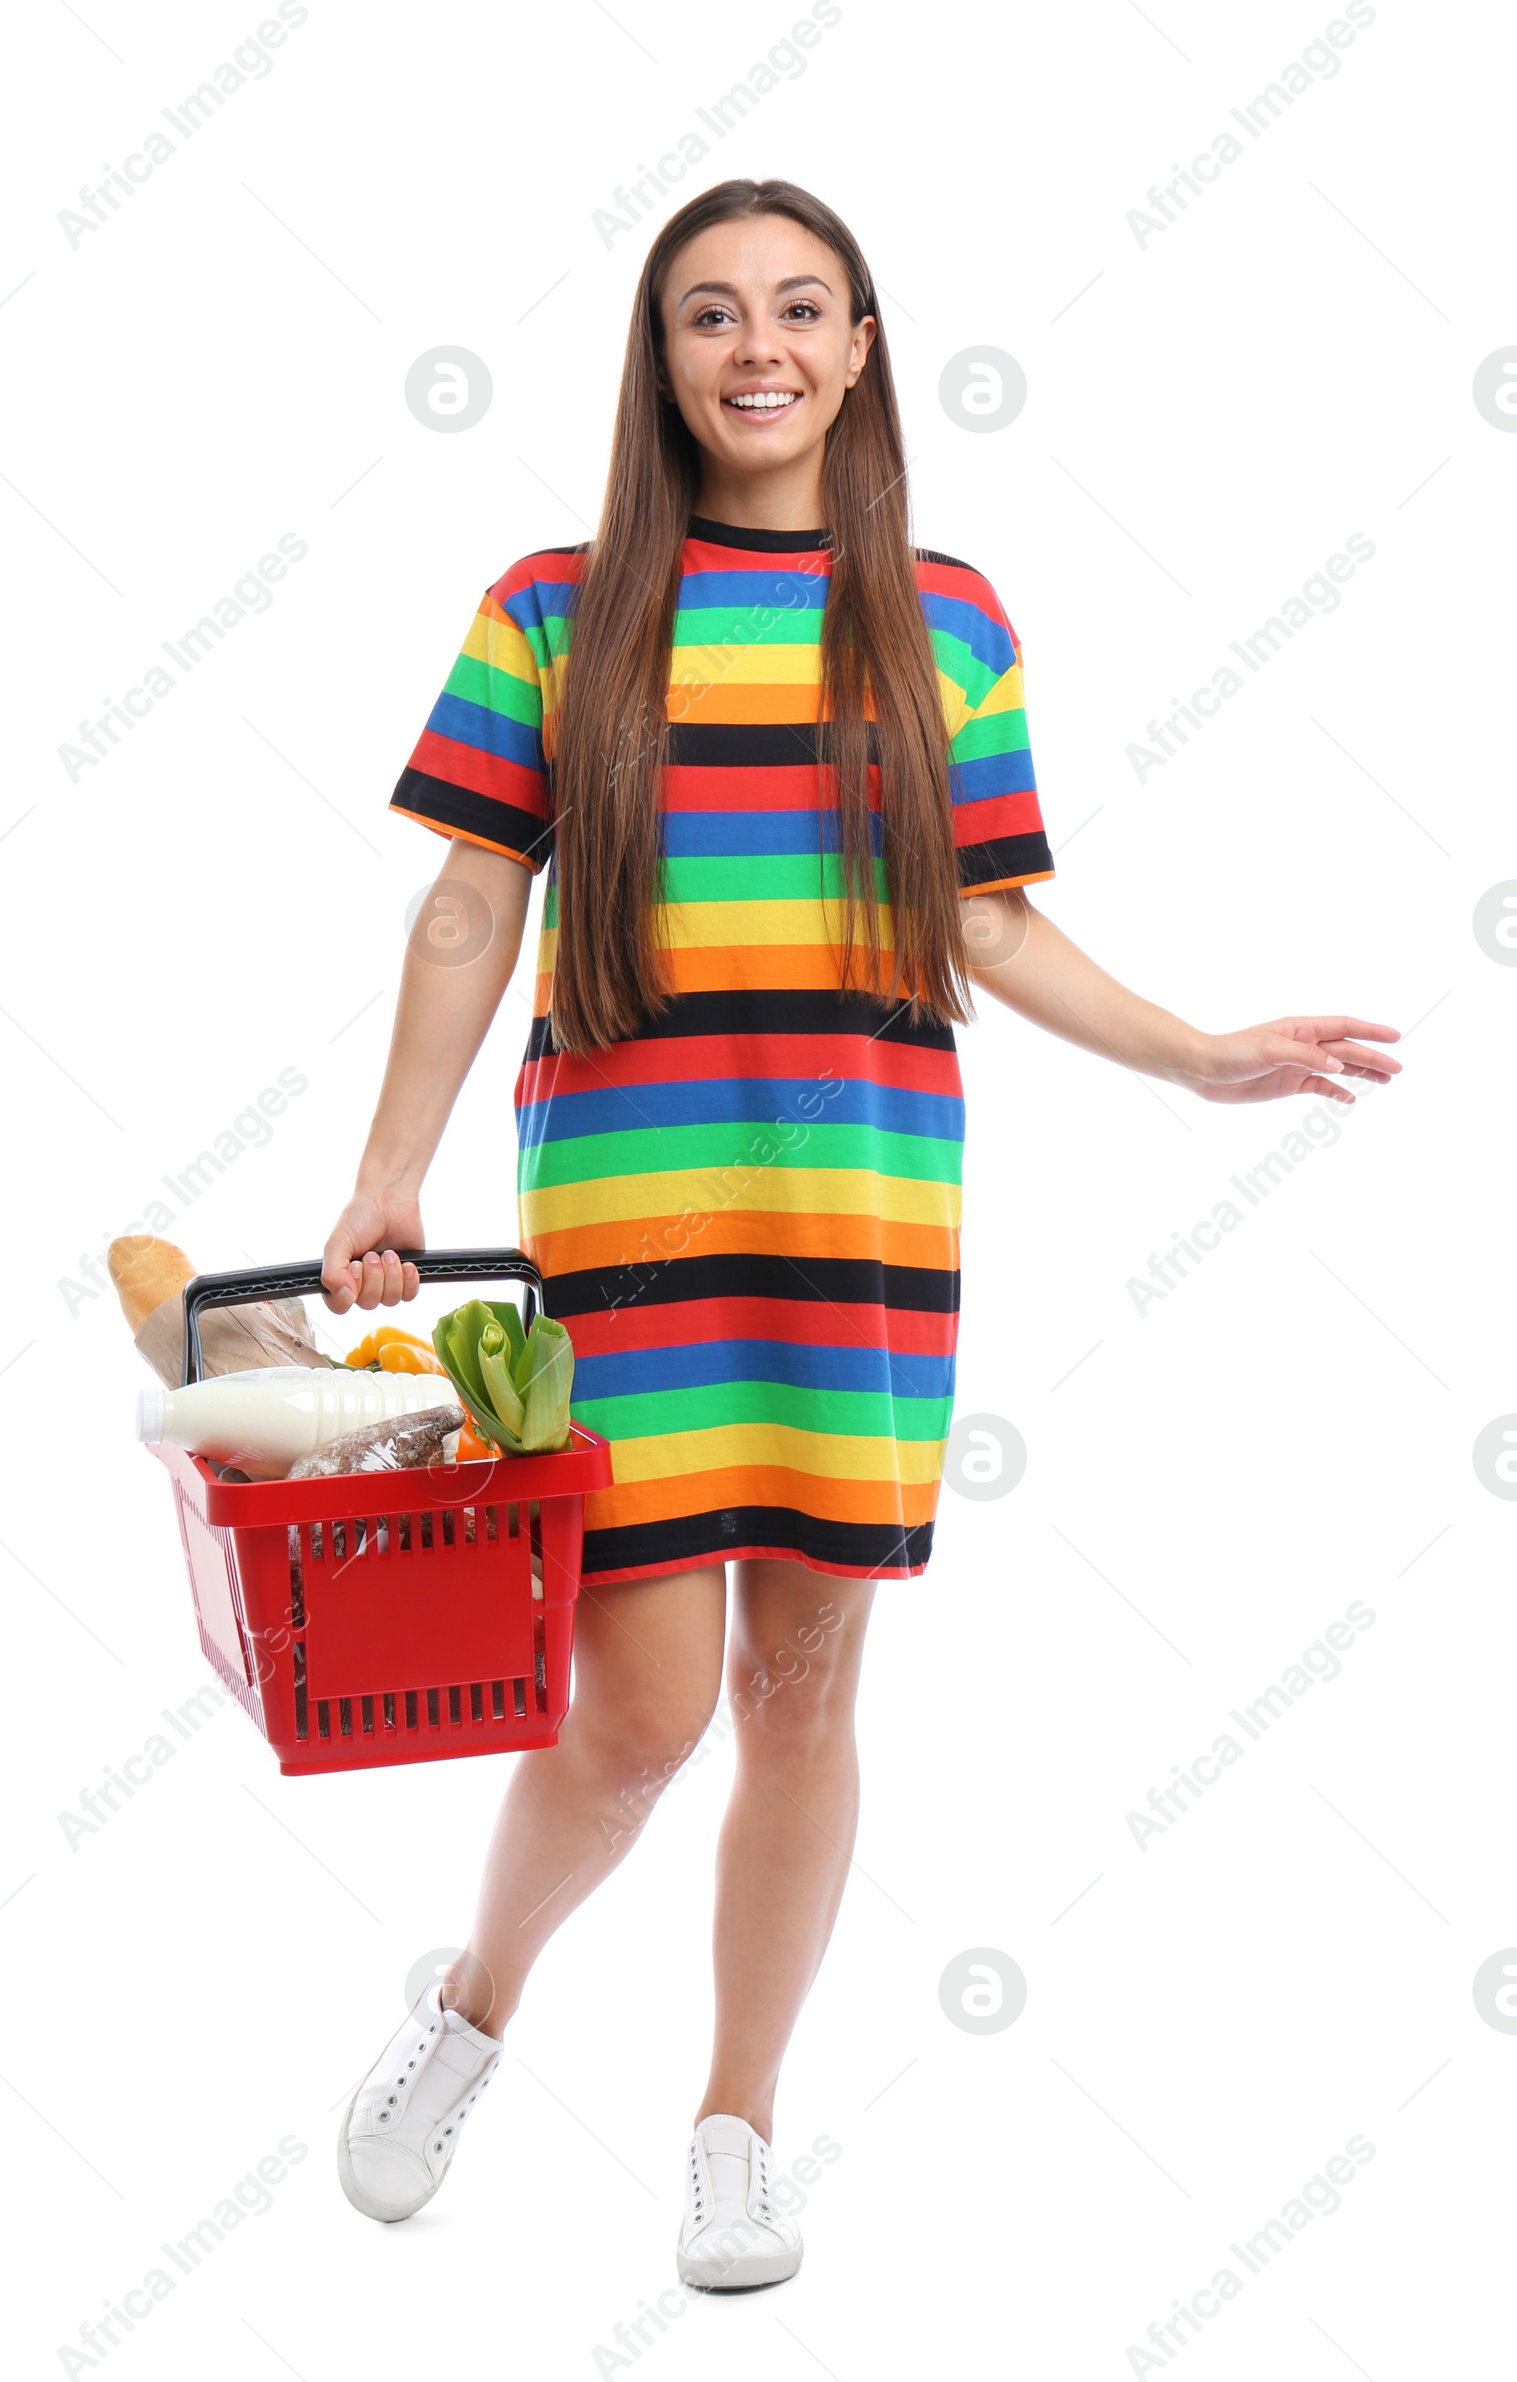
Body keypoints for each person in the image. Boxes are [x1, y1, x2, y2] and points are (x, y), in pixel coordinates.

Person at [321, 177, 1400, 2286]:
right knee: (628, 1714)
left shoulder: (943, 613)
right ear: (658, 356)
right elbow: (470, 901)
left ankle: (735, 2123)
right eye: (710, 314)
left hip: (863, 1211)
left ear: (859, 344)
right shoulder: (553, 605)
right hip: (624, 1218)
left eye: (798, 310)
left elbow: (986, 916)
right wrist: (388, 1167)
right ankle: (470, 2009)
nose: (757, 348)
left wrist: (1187, 1054)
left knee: (803, 1688)